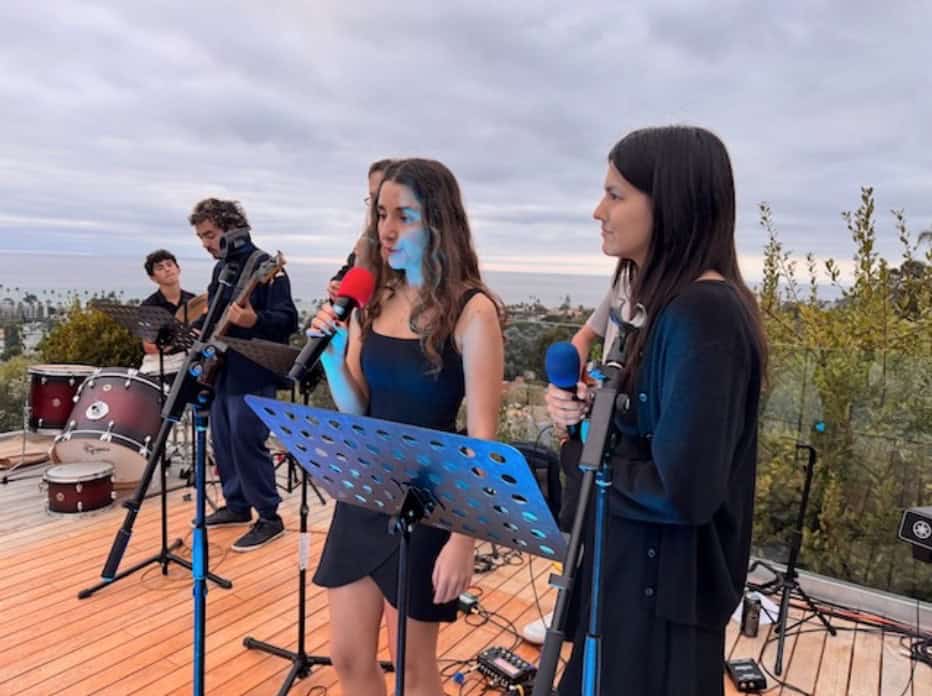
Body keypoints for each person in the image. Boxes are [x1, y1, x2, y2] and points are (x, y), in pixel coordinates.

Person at [545, 126, 767, 696]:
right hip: (632, 583)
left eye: (616, 194)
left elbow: (681, 491)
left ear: (670, 203)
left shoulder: (704, 313)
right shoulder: (659, 302)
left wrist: (582, 459)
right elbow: (654, 431)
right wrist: (594, 414)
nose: (599, 210)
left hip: (659, 602)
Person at [308, 158, 505, 696]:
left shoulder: (473, 311)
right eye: (381, 214)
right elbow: (359, 410)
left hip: (430, 502)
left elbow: (482, 438)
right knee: (347, 657)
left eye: (405, 216)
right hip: (365, 493)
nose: (387, 229)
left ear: (440, 222)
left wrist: (463, 542)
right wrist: (328, 358)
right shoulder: (375, 300)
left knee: (414, 672)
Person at [189, 198, 299, 552]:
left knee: (246, 439)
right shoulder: (221, 269)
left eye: (209, 234)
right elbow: (215, 314)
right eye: (201, 236)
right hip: (222, 368)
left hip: (253, 371)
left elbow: (288, 320)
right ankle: (237, 505)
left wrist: (255, 322)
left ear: (230, 228)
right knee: (222, 437)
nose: (205, 243)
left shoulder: (268, 267)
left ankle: (269, 516)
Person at [327, 158, 395, 300]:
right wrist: (337, 284)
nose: (376, 204)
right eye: (372, 197)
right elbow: (349, 270)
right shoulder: (368, 238)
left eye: (380, 195)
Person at [140, 249, 195, 358]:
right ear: (153, 278)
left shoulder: (193, 300)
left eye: (169, 265)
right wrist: (178, 340)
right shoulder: (149, 306)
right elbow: (148, 347)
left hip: (192, 358)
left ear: (178, 269)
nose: (167, 269)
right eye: (160, 268)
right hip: (165, 361)